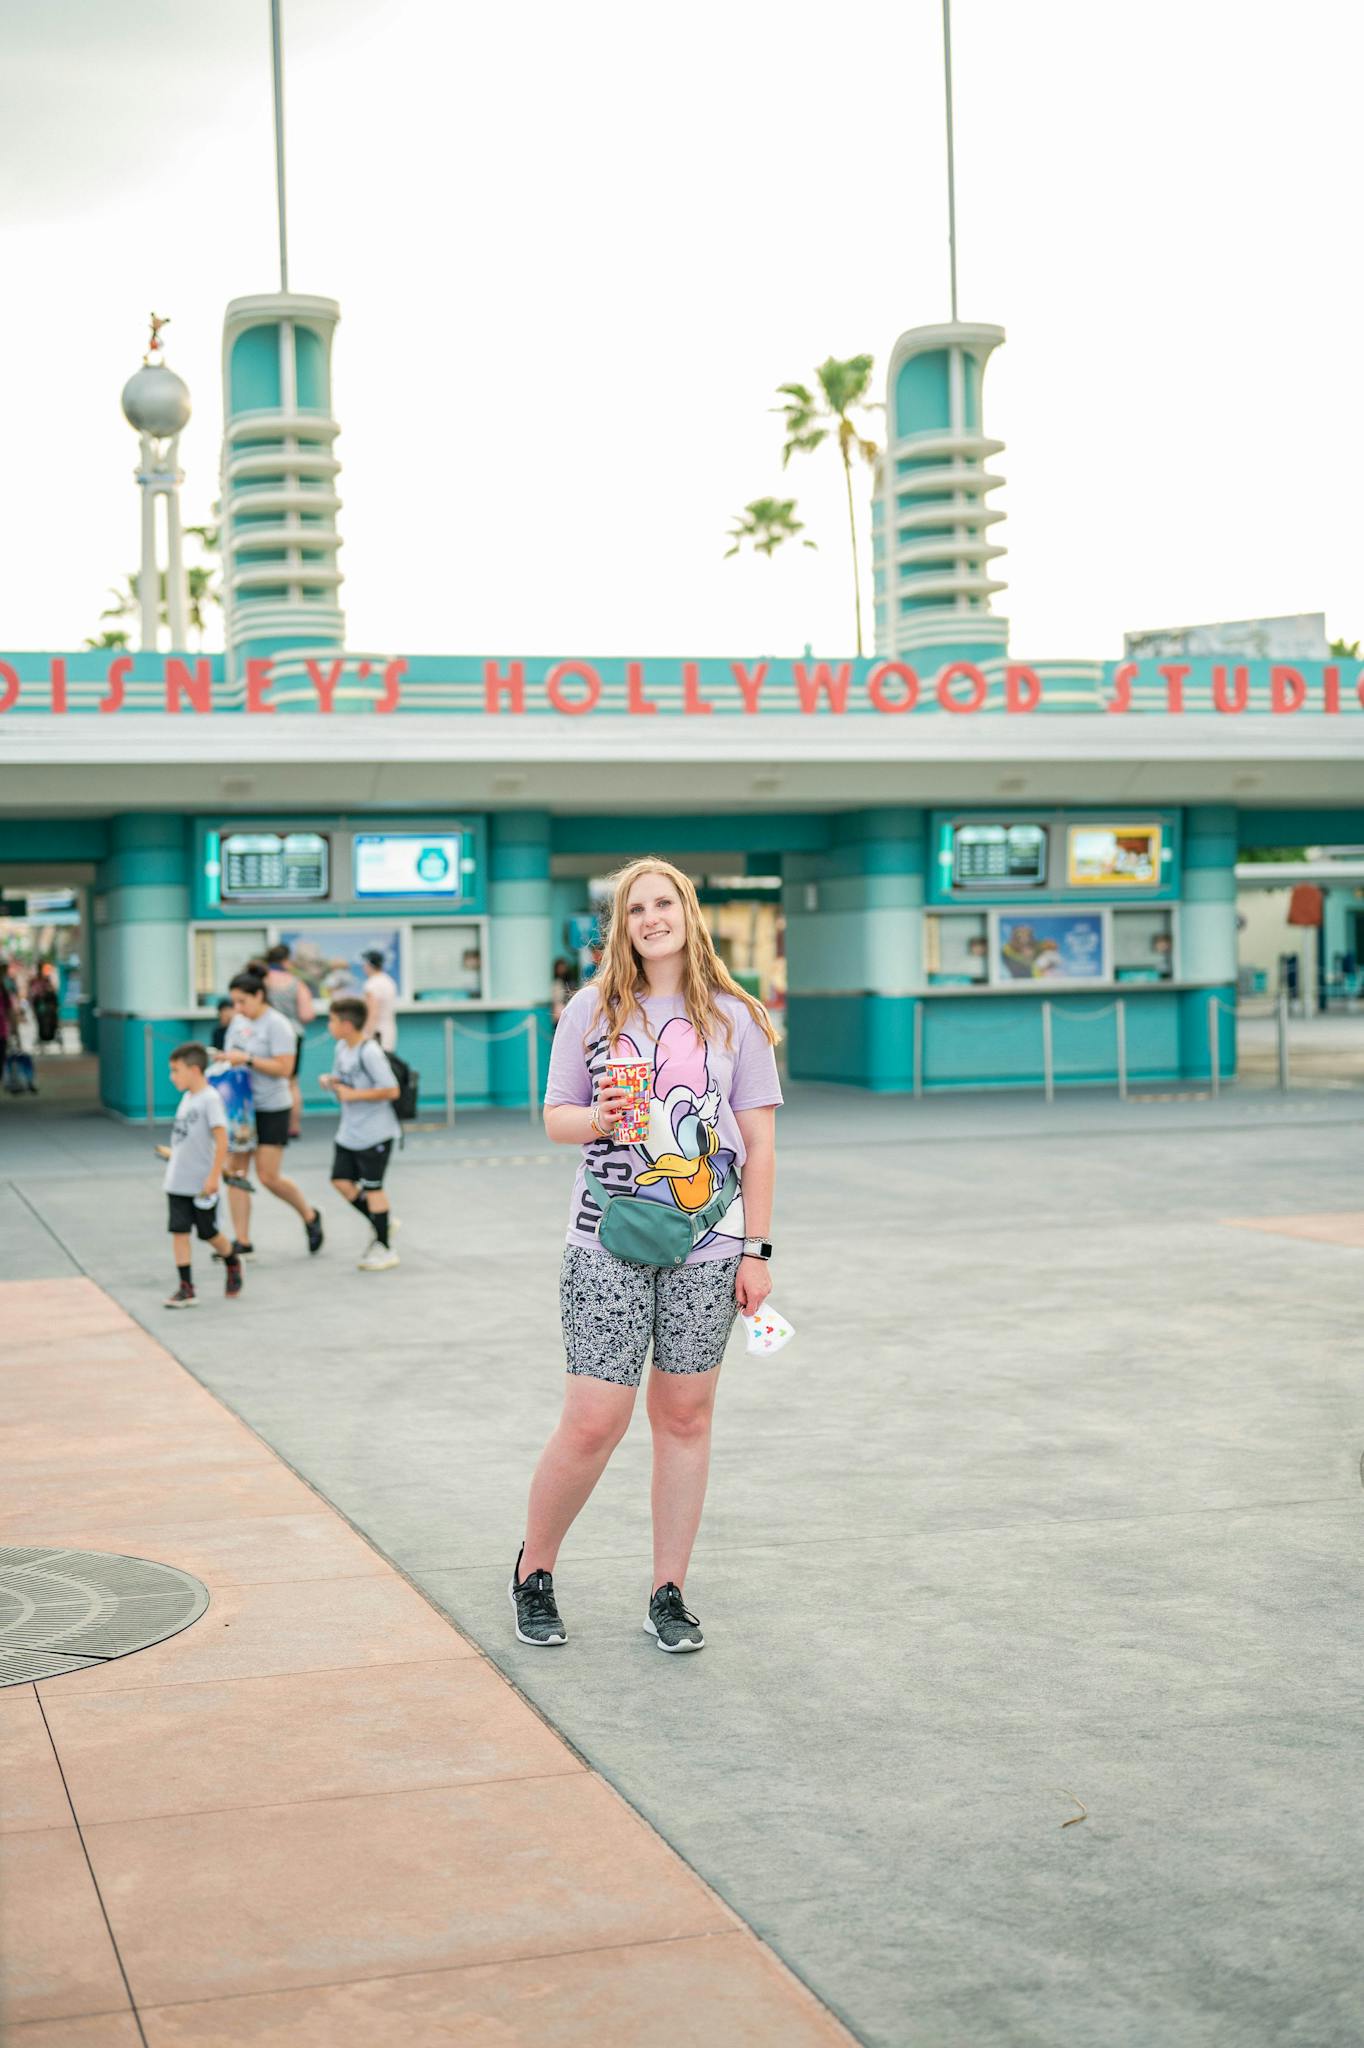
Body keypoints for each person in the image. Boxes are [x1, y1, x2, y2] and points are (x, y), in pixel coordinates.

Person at [513, 858, 781, 1654]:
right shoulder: (591, 1011)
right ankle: (535, 1571)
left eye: (665, 903)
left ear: (688, 913)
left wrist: (757, 1251)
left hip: (710, 1244)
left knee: (686, 1418)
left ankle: (669, 1591)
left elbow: (759, 1144)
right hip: (605, 1238)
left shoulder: (736, 1018)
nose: (652, 919)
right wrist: (602, 1115)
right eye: (636, 909)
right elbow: (555, 1118)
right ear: (619, 925)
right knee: (596, 1419)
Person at [220, 970, 324, 1260]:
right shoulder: (238, 1023)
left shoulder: (278, 1025)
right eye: (234, 1003)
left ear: (259, 996)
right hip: (242, 1108)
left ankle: (309, 1214)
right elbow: (232, 1054)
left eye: (242, 1001)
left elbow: (285, 1069)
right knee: (236, 1172)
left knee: (268, 1176)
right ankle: (242, 1239)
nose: (237, 1009)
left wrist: (249, 1059)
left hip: (272, 1106)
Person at [320, 996, 401, 1273]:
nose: (328, 1025)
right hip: (349, 1132)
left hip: (375, 1133)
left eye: (331, 1020)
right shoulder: (341, 1048)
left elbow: (391, 1090)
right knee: (340, 1181)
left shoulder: (369, 1052)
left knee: (373, 1189)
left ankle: (384, 1247)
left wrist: (354, 1095)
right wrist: (332, 1083)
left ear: (346, 1024)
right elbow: (343, 1083)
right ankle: (382, 1221)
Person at [161, 1043, 244, 1309]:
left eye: (176, 1071)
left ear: (195, 1070)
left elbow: (221, 1141)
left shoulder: (210, 1099)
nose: (172, 1077)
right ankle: (186, 1287)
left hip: (201, 1182)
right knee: (179, 1231)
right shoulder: (186, 1099)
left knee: (208, 1233)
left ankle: (231, 1259)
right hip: (177, 1180)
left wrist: (213, 1177)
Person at [263, 942, 317, 1138]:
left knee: (266, 1079)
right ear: (286, 960)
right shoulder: (296, 983)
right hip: (293, 1034)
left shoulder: (262, 982)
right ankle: (293, 1126)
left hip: (265, 1035)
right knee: (292, 1082)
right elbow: (307, 1013)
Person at [361, 948, 399, 1049]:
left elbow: (372, 1013)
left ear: (369, 965)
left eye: (364, 964)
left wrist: (367, 1034)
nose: (363, 967)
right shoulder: (388, 981)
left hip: (376, 1032)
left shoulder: (372, 984)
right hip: (389, 1030)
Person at [29, 964, 60, 1053]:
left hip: (47, 1009)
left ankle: (49, 1034)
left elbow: (54, 998)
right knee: (41, 1022)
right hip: (40, 1008)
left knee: (49, 1020)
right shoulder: (35, 982)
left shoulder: (46, 982)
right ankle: (44, 1036)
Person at [550, 955, 579, 1023]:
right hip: (558, 1011)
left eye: (563, 967)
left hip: (570, 1010)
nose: (562, 969)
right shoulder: (556, 982)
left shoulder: (571, 982)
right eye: (559, 968)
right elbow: (556, 999)